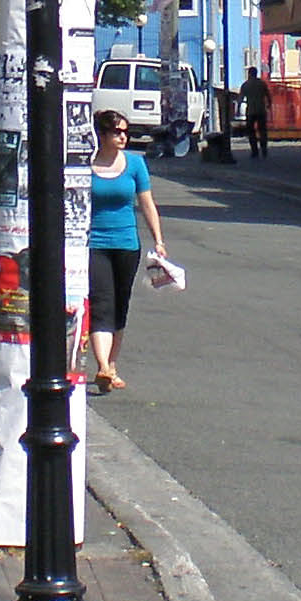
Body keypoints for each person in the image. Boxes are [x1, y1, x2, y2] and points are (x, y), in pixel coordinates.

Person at [85, 110, 167, 394]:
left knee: (120, 303)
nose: (123, 137)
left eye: (125, 132)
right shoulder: (85, 165)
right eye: (117, 132)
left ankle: (112, 364)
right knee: (101, 302)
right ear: (102, 135)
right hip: (94, 244)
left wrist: (158, 240)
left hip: (126, 244)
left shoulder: (135, 164)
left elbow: (147, 203)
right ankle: (102, 367)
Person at [238, 68, 271, 158]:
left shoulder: (245, 85)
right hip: (261, 110)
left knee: (251, 132)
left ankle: (254, 151)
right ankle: (264, 150)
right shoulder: (262, 84)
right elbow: (268, 95)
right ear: (256, 73)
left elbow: (240, 98)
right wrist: (269, 105)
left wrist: (238, 109)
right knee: (262, 131)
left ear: (249, 74)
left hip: (250, 111)